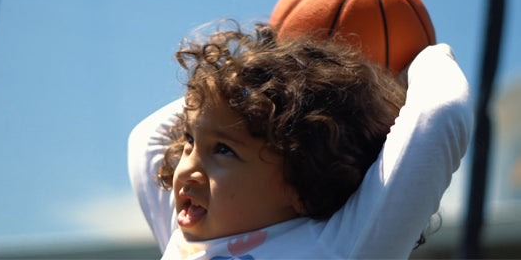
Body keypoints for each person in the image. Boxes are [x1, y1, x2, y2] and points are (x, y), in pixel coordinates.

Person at [128, 23, 472, 259]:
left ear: (300, 179)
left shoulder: (340, 247)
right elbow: (147, 138)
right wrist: (247, 76)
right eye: (189, 141)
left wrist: (423, 54)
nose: (187, 168)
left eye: (223, 149)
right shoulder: (186, 233)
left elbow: (439, 114)